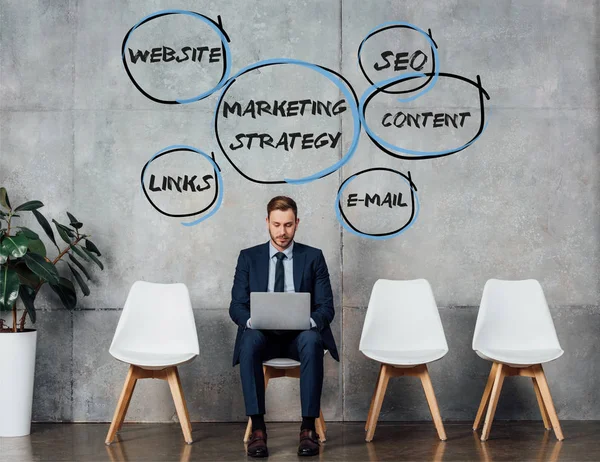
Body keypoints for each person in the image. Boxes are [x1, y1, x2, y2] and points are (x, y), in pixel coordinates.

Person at [229, 196, 339, 457]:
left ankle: (307, 428)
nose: (282, 232)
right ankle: (258, 429)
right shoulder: (248, 257)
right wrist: (251, 320)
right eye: (277, 224)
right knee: (249, 340)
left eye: (288, 225)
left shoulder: (313, 257)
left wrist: (307, 321)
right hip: (263, 336)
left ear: (297, 223)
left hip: (299, 338)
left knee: (313, 340)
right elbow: (236, 306)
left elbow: (326, 308)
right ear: (267, 222)